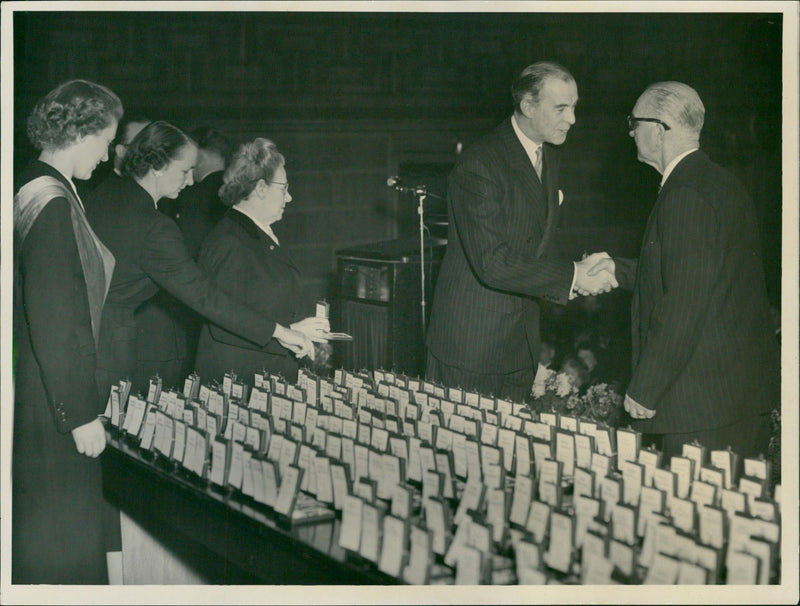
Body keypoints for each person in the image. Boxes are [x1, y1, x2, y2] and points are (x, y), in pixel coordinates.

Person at [425, 61, 618, 403]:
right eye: (561, 108)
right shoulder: (480, 163)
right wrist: (573, 276)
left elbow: (531, 244)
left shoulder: (547, 156)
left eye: (574, 107)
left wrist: (582, 268)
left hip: (520, 344)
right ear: (528, 106)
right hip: (473, 347)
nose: (572, 119)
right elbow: (492, 262)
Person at [84, 120, 315, 400]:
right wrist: (280, 331)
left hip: (83, 338)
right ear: (158, 166)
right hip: (107, 352)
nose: (191, 180)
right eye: (185, 170)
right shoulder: (154, 226)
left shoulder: (105, 195)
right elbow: (205, 297)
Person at [619, 81, 779, 458]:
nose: (630, 132)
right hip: (731, 396)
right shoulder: (719, 182)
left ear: (657, 130)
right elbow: (704, 274)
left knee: (694, 513)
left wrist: (646, 387)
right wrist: (617, 269)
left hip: (701, 404)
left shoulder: (684, 194)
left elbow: (685, 300)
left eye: (634, 122)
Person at [12, 79, 122, 583]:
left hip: (42, 396)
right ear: (83, 131)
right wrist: (79, 415)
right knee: (64, 549)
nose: (108, 154)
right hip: (57, 409)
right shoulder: (51, 200)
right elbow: (56, 315)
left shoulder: (34, 185)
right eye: (106, 140)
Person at [195, 138, 330, 384]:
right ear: (261, 188)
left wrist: (294, 329)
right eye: (284, 188)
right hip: (241, 381)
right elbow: (224, 322)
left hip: (262, 373)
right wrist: (287, 334)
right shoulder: (230, 241)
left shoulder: (256, 233)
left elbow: (253, 308)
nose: (288, 198)